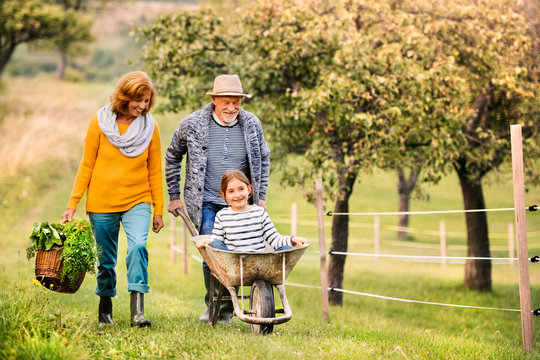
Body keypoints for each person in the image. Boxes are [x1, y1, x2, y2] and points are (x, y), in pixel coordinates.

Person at [60, 71, 164, 328]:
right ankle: (105, 307)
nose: (142, 106)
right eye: (138, 100)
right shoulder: (100, 122)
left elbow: (154, 170)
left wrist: (158, 209)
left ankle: (137, 312)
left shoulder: (151, 127)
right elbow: (87, 165)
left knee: (138, 246)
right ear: (125, 96)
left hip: (138, 199)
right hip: (102, 202)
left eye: (147, 101)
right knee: (105, 259)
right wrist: (72, 203)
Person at [165, 74, 270, 323]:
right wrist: (173, 195)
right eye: (226, 102)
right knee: (211, 250)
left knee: (242, 251)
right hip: (207, 201)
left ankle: (233, 305)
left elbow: (264, 158)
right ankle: (216, 308)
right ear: (214, 100)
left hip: (240, 202)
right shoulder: (192, 124)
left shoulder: (252, 124)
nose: (232, 108)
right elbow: (172, 155)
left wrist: (261, 195)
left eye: (236, 102)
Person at [195, 170, 308, 251]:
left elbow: (274, 239)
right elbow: (217, 241)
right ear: (224, 195)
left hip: (260, 261)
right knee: (215, 244)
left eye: (241, 189)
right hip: (233, 262)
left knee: (286, 249)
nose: (237, 195)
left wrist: (293, 239)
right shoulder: (222, 216)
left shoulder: (259, 213)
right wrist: (207, 242)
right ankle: (216, 285)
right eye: (231, 191)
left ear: (249, 189)